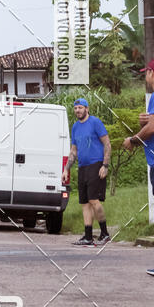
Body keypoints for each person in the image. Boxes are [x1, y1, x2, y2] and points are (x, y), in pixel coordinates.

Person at [122, 58, 154, 277]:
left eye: (145, 73)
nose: (145, 77)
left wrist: (133, 139)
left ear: (151, 73)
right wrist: (144, 124)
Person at [63, 98, 111, 246]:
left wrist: (105, 165)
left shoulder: (95, 122)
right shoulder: (75, 127)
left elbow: (107, 144)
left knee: (93, 200)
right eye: (76, 108)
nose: (78, 110)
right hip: (82, 166)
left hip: (96, 165)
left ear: (87, 109)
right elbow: (74, 151)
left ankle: (105, 233)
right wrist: (66, 169)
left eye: (80, 108)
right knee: (84, 202)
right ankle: (88, 236)